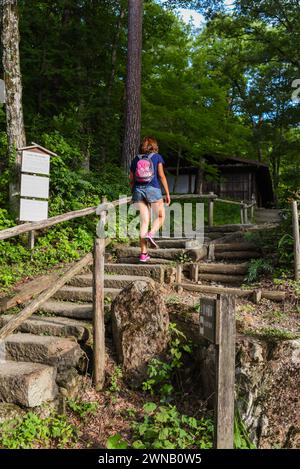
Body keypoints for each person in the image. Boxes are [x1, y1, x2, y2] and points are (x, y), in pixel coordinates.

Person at [130, 136, 171, 262]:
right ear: (154, 146)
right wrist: (167, 194)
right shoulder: (157, 157)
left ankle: (143, 254)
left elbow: (131, 179)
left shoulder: (135, 159)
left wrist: (134, 193)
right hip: (153, 189)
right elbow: (161, 176)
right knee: (160, 216)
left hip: (138, 191)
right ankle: (151, 234)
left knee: (143, 223)